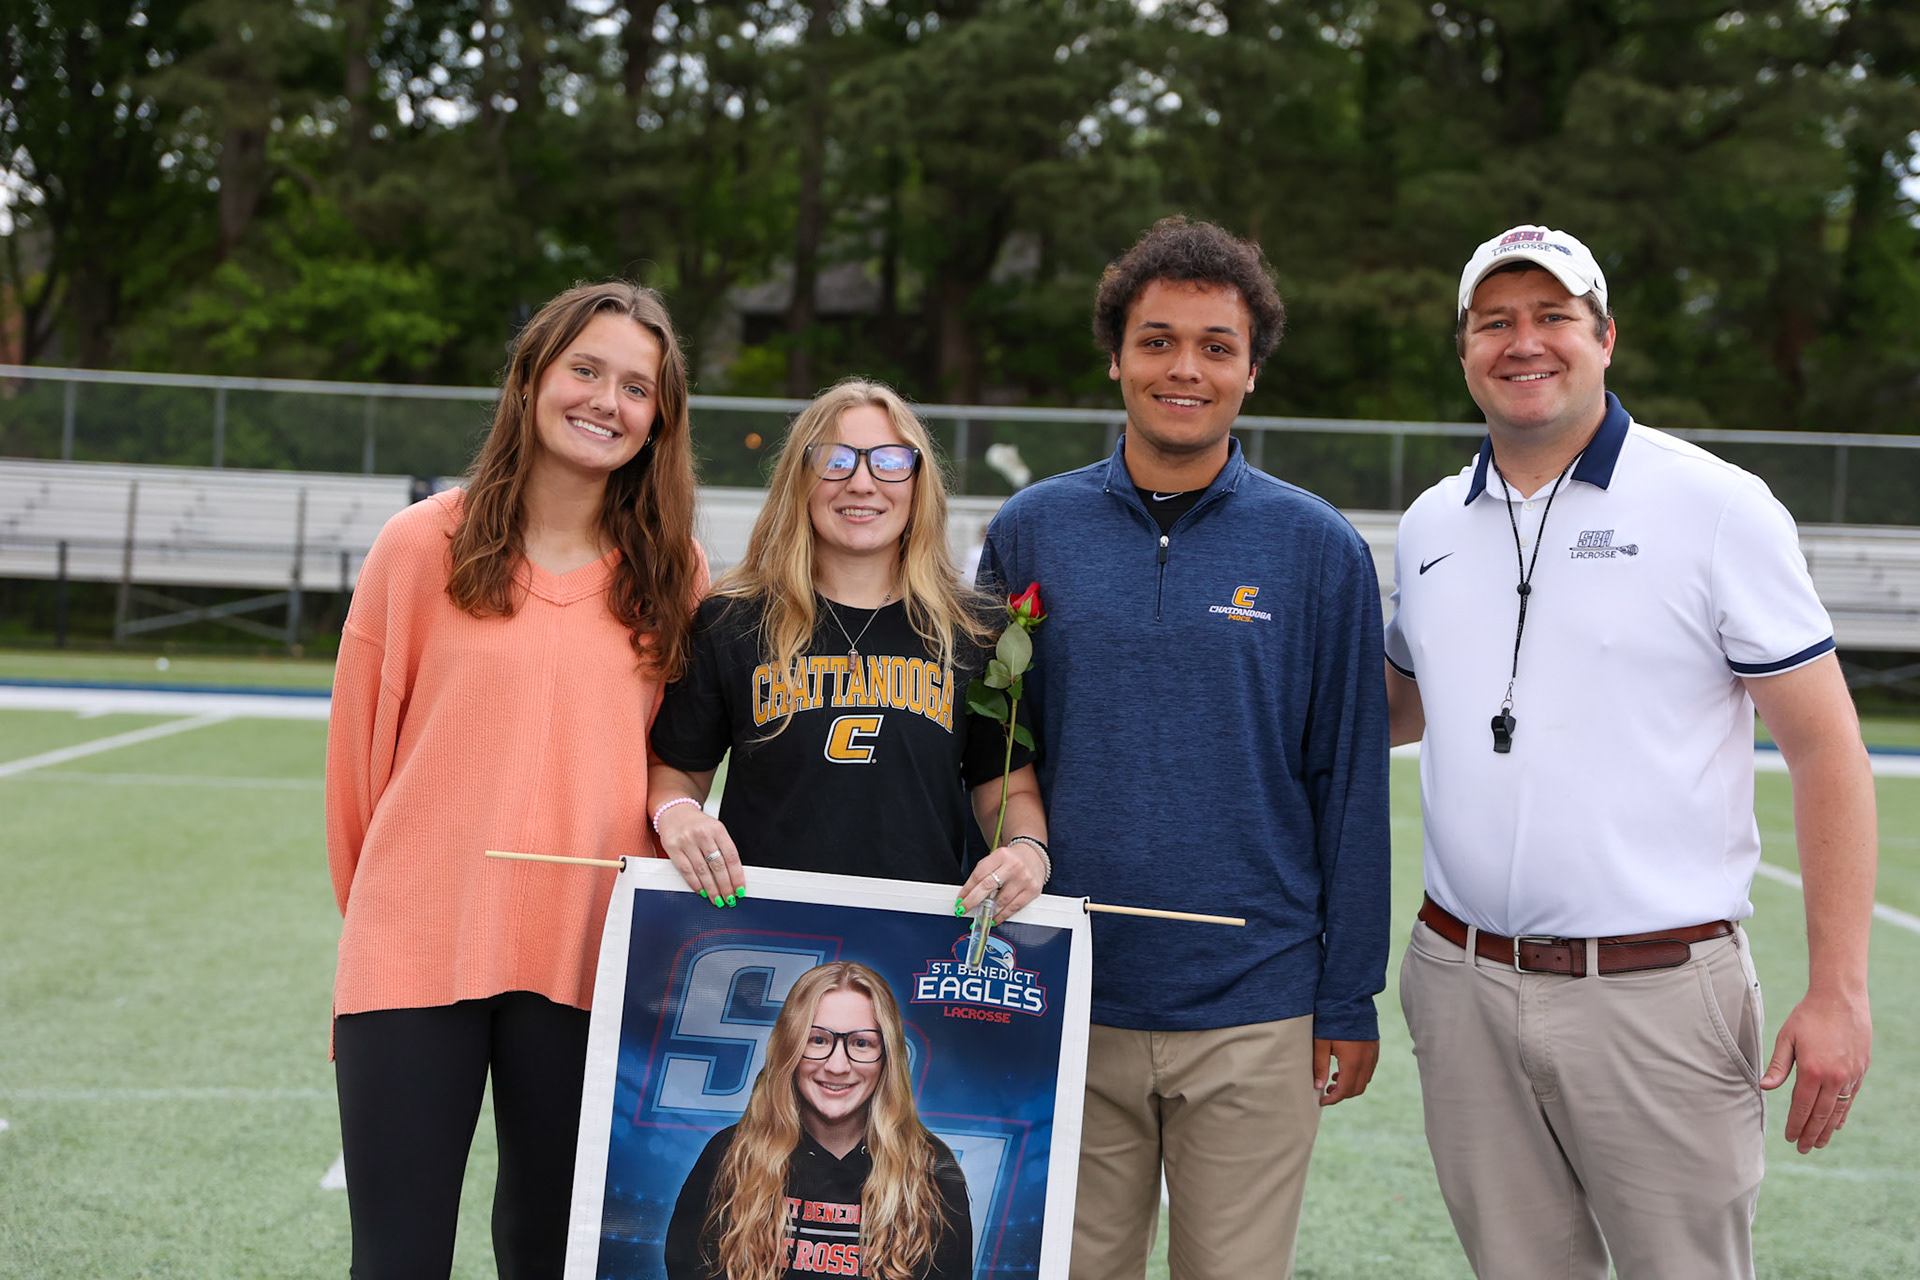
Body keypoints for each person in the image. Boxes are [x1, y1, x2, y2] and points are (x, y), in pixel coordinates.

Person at [1385, 224, 1877, 1279]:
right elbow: (1399, 706)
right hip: (1461, 984)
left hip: (1656, 991)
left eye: (1553, 316)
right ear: (1463, 349)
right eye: (1494, 322)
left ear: (1605, 337)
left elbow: (1827, 748)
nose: (1524, 342)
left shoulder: (1715, 506)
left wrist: (1839, 988)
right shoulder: (1430, 524)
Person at [975, 216, 1391, 1280]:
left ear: (1252, 371)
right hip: (1064, 987)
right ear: (1116, 359)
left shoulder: (1320, 549)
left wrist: (1348, 995)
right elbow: (994, 746)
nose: (1185, 369)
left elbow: (1350, 783)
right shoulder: (1031, 530)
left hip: (1256, 1003)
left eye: (1216, 346)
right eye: (1157, 341)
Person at [325, 281, 706, 1279]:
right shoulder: (420, 546)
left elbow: (674, 762)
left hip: (590, 956)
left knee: (550, 1254)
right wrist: (390, 916)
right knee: (398, 1259)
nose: (607, 401)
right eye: (586, 369)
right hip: (416, 950)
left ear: (659, 418)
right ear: (532, 378)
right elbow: (357, 767)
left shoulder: (675, 574)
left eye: (637, 387)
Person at [647, 378, 1047, 917]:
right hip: (760, 929)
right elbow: (678, 771)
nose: (862, 483)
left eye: (889, 462)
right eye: (835, 461)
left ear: (919, 483)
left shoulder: (975, 632)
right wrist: (677, 813)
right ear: (800, 480)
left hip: (915, 936)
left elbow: (1006, 792)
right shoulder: (733, 619)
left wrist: (1027, 851)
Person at [664, 961, 973, 1280]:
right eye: (818, 1040)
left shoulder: (932, 1168)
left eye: (861, 1043)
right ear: (789, 1048)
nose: (837, 1066)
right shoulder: (730, 1155)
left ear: (887, 1055)